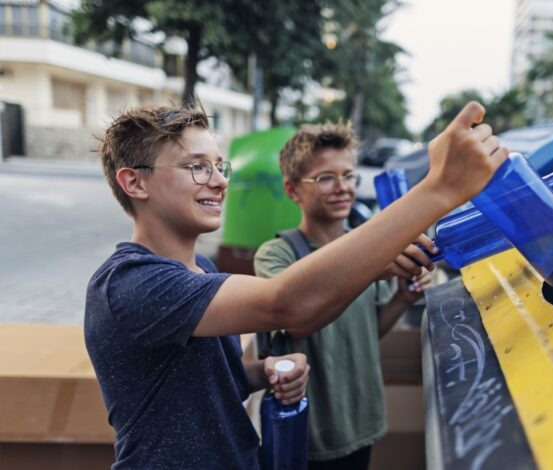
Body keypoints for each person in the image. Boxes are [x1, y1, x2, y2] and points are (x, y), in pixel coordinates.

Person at [85, 101, 508, 469]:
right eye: (196, 167)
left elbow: (214, 379)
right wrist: (438, 189)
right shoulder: (130, 282)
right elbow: (285, 305)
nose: (219, 180)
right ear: (134, 182)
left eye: (219, 165)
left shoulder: (202, 266)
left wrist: (262, 371)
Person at [254, 122, 434, 469]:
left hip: (360, 419)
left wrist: (401, 299)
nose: (342, 188)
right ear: (292, 190)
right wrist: (368, 268)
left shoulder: (369, 246)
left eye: (348, 176)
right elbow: (297, 323)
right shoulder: (276, 255)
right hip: (307, 429)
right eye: (325, 178)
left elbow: (370, 328)